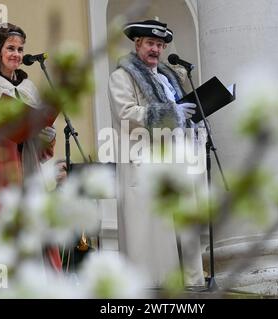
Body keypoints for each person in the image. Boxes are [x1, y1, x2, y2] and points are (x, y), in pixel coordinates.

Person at [108, 19, 205, 288]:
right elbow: (126, 113)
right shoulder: (122, 77)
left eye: (160, 45)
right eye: (151, 43)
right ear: (137, 44)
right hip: (145, 159)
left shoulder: (166, 77)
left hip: (176, 161)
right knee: (151, 231)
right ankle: (154, 285)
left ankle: (190, 282)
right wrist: (170, 112)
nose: (156, 49)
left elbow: (181, 114)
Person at [0, 23, 62, 278]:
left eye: (20, 49)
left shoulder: (29, 89)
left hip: (28, 170)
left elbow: (42, 150)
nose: (17, 54)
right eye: (10, 48)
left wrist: (46, 137)